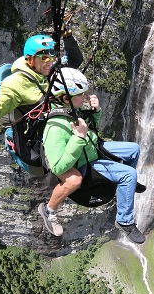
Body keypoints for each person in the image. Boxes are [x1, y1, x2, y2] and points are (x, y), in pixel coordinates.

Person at [0, 32, 83, 177]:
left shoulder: (47, 72)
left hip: (57, 131)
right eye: (45, 57)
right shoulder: (16, 83)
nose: (50, 61)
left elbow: (74, 60)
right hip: (36, 145)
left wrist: (67, 36)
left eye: (52, 57)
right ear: (30, 59)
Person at [38, 67, 146, 244]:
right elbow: (58, 167)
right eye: (81, 94)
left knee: (133, 149)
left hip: (92, 149)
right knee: (129, 174)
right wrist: (78, 138)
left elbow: (91, 128)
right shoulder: (55, 126)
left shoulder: (72, 110)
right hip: (86, 163)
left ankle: (127, 187)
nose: (85, 97)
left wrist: (96, 113)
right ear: (66, 98)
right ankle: (125, 221)